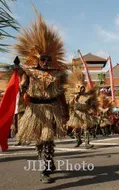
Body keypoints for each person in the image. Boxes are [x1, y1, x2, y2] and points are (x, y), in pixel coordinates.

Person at [14, 8, 69, 183]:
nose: (45, 63)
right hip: (34, 111)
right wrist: (21, 87)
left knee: (47, 138)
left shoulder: (57, 74)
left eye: (48, 60)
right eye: (42, 59)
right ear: (37, 60)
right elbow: (22, 86)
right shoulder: (28, 73)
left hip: (51, 109)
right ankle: (47, 160)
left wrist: (66, 110)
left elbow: (61, 94)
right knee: (39, 141)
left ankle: (45, 170)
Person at [66, 69, 97, 149]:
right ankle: (78, 140)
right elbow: (70, 104)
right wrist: (74, 99)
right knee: (77, 129)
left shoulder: (88, 97)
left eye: (83, 88)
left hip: (85, 114)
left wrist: (92, 110)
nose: (82, 89)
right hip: (77, 115)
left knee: (86, 128)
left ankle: (87, 143)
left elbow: (91, 105)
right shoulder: (73, 97)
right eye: (81, 88)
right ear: (78, 88)